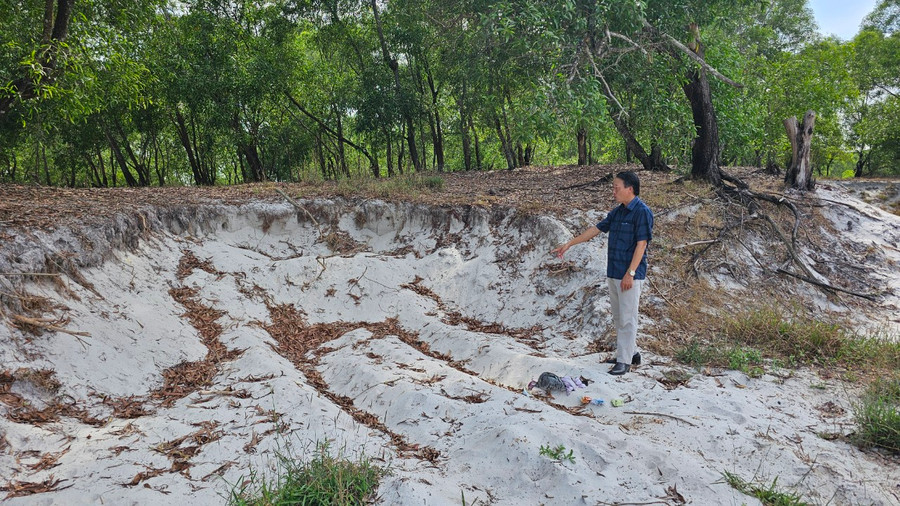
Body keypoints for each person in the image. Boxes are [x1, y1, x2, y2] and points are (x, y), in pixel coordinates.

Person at [551, 171, 654, 375]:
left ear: (630, 189)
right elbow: (596, 229)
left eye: (617, 187)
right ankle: (631, 353)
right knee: (618, 316)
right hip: (614, 271)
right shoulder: (618, 212)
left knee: (627, 318)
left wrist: (630, 273)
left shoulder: (642, 212)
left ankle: (624, 362)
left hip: (629, 274)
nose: (613, 191)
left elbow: (642, 245)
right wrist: (569, 243)